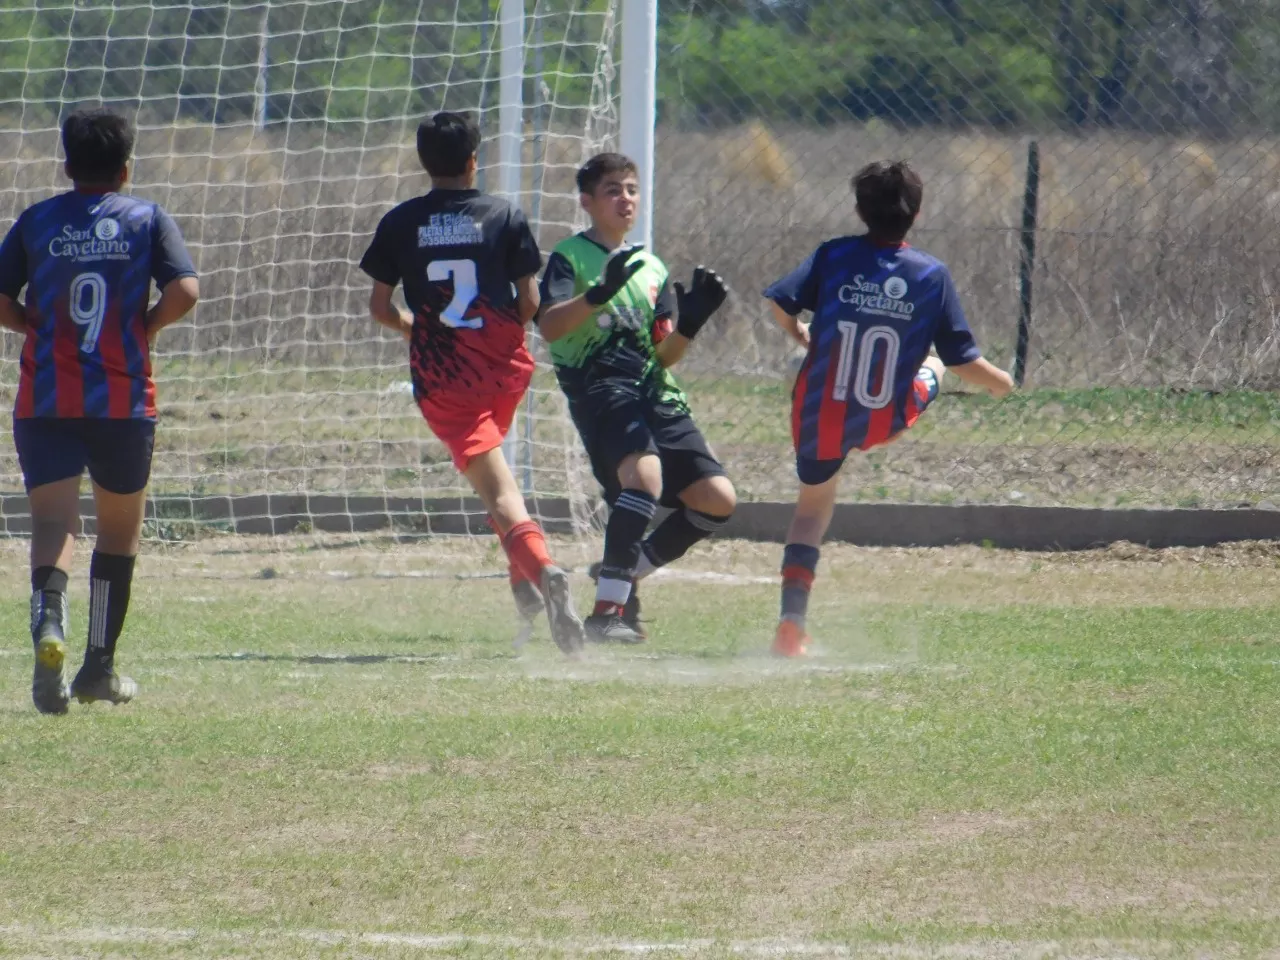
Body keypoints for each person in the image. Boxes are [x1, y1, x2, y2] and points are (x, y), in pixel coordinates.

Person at [763, 160, 1015, 657]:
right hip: (883, 418)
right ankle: (913, 390)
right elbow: (966, 361)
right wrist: (1002, 384)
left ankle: (791, 624)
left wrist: (800, 334)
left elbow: (779, 303)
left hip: (819, 414)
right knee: (935, 364)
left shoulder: (834, 255)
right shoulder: (930, 274)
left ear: (859, 210)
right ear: (917, 214)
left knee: (811, 512)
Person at [358, 111, 584, 655]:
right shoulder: (503, 214)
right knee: (498, 483)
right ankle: (524, 586)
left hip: (445, 377)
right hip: (504, 369)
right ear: (474, 160)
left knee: (499, 493)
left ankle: (545, 572)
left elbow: (380, 307)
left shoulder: (401, 222)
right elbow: (530, 302)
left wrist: (416, 326)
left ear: (422, 161)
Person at [0, 107, 200, 712]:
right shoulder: (145, 218)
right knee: (118, 530)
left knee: (53, 526)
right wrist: (146, 327)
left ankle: (49, 629)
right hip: (122, 400)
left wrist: (28, 322)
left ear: (65, 164)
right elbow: (186, 290)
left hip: (47, 398)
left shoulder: (37, 220)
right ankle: (98, 669)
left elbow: (1, 297)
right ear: (126, 168)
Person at [539, 152, 736, 644]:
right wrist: (595, 296)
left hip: (655, 392)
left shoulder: (650, 267)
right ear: (587, 202)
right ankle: (607, 614)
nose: (625, 198)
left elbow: (664, 355)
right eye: (612, 190)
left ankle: (625, 573)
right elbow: (548, 325)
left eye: (630, 188)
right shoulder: (570, 256)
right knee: (643, 476)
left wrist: (691, 322)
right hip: (601, 388)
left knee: (717, 501)